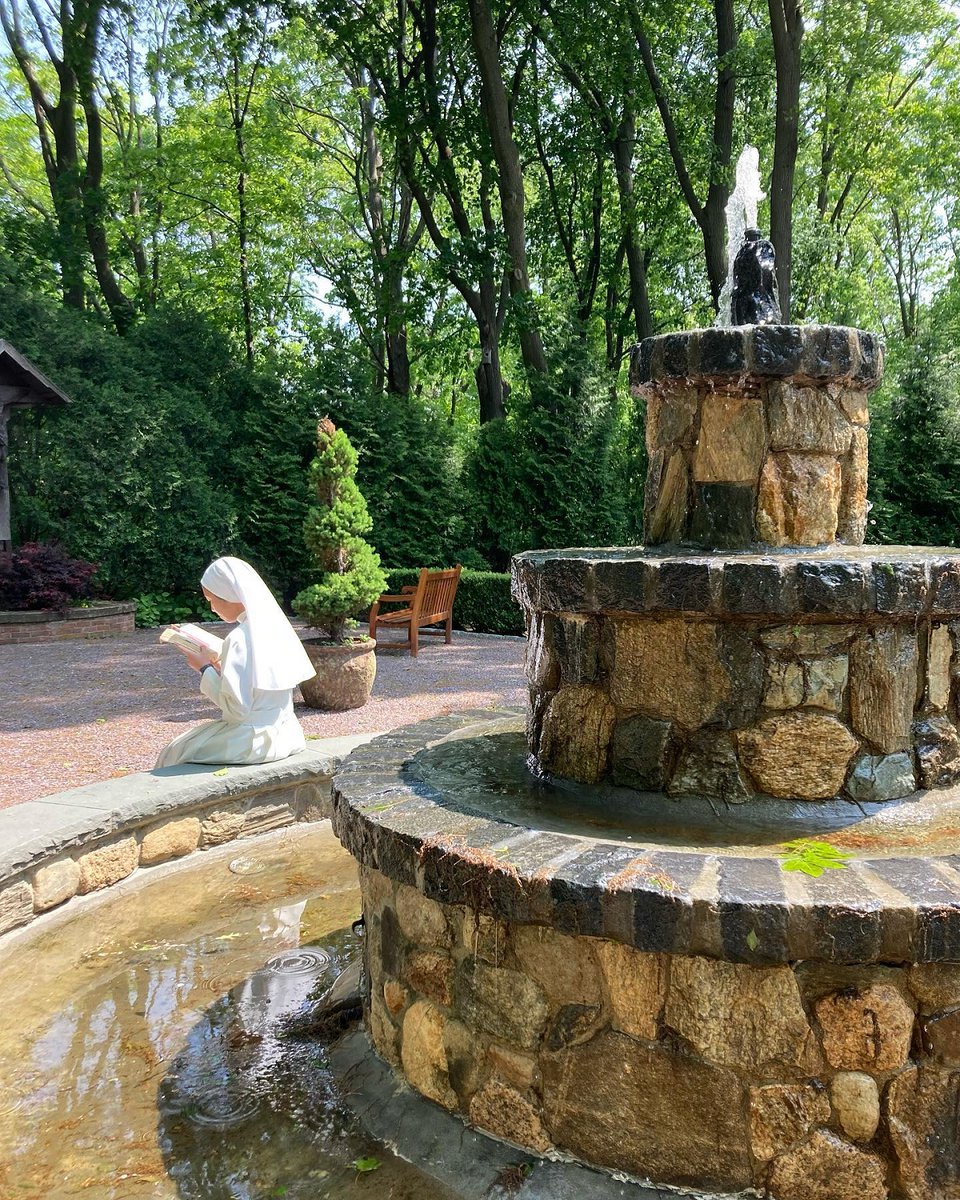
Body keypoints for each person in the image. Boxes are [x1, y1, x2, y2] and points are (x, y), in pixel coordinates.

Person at [155, 556, 316, 769]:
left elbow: (236, 710)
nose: (212, 608)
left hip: (252, 741)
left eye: (212, 600)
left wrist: (204, 668)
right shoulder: (273, 628)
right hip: (286, 732)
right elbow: (257, 686)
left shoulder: (239, 638)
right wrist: (221, 668)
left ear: (230, 596)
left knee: (175, 750)